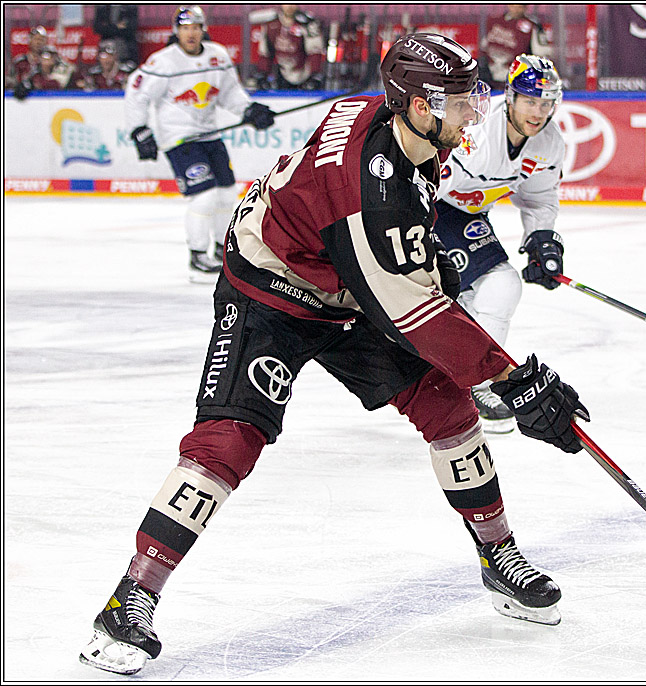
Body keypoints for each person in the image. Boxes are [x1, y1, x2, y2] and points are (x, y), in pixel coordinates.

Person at [78, 32, 590, 676]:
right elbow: (414, 311)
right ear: (423, 107)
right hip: (269, 293)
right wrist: (513, 381)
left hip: (345, 286)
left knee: (449, 410)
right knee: (228, 439)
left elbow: (404, 273)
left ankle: (499, 556)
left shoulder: (400, 124)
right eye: (461, 102)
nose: (473, 114)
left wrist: (483, 357)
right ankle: (130, 599)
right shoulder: (370, 192)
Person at [433, 54, 566, 434]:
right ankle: (468, 376)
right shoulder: (476, 132)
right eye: (530, 100)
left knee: (496, 288)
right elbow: (426, 180)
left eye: (545, 103)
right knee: (479, 291)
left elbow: (539, 198)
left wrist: (542, 240)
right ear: (510, 97)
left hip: (468, 217)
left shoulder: (549, 143)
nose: (538, 111)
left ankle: (469, 379)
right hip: (429, 207)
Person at [124, 5, 276, 283]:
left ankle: (221, 249)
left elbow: (230, 93)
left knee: (228, 193)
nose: (190, 33)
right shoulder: (164, 62)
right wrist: (139, 130)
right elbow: (137, 91)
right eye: (184, 28)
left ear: (202, 29)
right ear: (176, 31)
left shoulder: (217, 56)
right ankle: (197, 255)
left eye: (195, 27)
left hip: (210, 134)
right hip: (180, 138)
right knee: (204, 196)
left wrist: (249, 111)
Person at [479, 5, 552, 89]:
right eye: (513, 5)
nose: (516, 9)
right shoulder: (494, 21)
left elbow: (541, 54)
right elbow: (483, 47)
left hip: (515, 78)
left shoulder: (532, 26)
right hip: (489, 76)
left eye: (520, 6)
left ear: (525, 7)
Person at [254, 4, 326, 90]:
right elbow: (265, 53)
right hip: (280, 75)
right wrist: (263, 74)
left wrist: (315, 75)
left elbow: (315, 52)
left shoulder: (308, 23)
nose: (290, 6)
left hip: (305, 76)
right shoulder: (271, 23)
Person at [93, 4, 140, 69]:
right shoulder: (102, 8)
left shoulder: (130, 7)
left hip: (126, 50)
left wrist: (108, 28)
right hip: (106, 48)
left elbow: (131, 29)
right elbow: (97, 28)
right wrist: (117, 27)